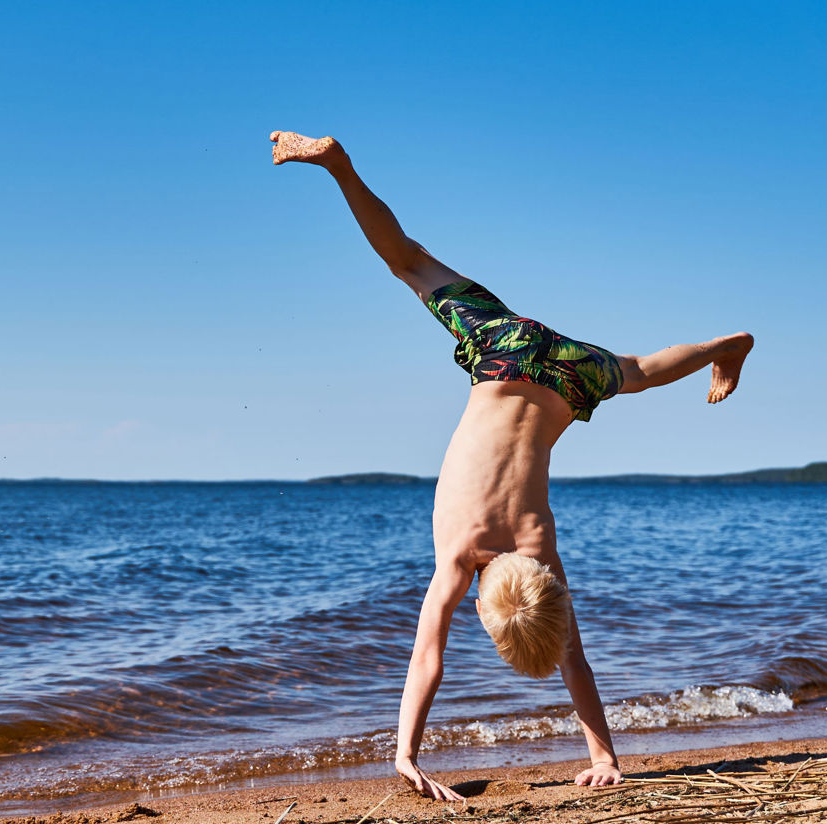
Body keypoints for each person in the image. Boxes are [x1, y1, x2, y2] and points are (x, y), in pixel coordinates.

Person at [270, 131, 754, 800]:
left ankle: (338, 166)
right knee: (409, 266)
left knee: (629, 368)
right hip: (509, 356)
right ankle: (340, 167)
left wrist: (604, 757)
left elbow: (560, 657)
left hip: (550, 365)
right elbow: (431, 657)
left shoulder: (535, 549)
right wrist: (404, 754)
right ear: (482, 601)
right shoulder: (466, 555)